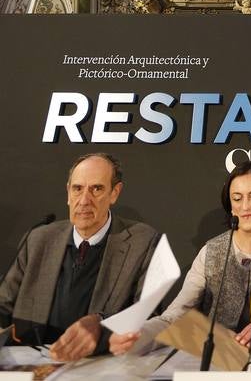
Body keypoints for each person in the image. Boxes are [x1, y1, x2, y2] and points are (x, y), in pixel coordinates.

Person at [110, 160, 251, 354]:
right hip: (216, 360)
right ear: (230, 205)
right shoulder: (211, 251)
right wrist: (137, 334)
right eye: (237, 199)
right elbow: (175, 316)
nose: (245, 206)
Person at [0, 153, 160, 361]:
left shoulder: (142, 241)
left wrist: (102, 328)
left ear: (115, 193)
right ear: (68, 192)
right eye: (77, 189)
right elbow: (4, 304)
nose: (84, 200)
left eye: (97, 189)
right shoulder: (39, 238)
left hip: (99, 362)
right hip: (34, 361)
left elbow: (149, 316)